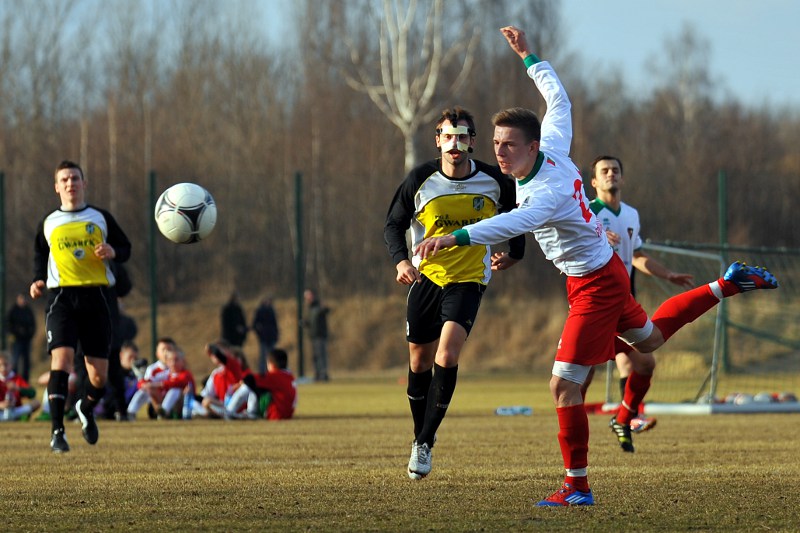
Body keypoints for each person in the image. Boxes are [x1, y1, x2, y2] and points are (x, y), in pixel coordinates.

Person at [414, 26, 778, 506]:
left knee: (563, 386)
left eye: (509, 145)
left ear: (531, 146)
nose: (498, 151)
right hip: (603, 273)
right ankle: (727, 285)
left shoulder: (544, 192)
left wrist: (452, 237)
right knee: (649, 341)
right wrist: (529, 56)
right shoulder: (552, 145)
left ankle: (577, 487)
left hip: (594, 285)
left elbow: (510, 223)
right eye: (497, 143)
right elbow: (558, 98)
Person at [384, 104, 526, 481]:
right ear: (438, 141)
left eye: (462, 137)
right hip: (426, 279)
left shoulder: (495, 180)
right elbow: (393, 224)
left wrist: (515, 253)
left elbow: (517, 217)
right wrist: (401, 262)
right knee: (419, 363)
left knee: (447, 354)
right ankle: (420, 435)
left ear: (472, 142)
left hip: (469, 280)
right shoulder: (420, 179)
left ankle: (424, 443)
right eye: (448, 136)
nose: (455, 144)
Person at [584, 155, 695, 442]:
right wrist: (596, 236)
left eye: (615, 170)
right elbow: (571, 247)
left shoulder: (631, 214)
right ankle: (574, 422)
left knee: (643, 363)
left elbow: (637, 256)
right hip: (594, 302)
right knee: (583, 370)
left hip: (624, 302)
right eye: (604, 171)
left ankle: (627, 418)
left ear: (622, 178)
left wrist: (668, 274)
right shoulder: (586, 211)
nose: (611, 174)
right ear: (593, 181)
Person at [30, 160, 131, 453]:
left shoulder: (100, 217)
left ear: (84, 183)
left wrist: (113, 251)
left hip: (96, 298)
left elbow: (125, 248)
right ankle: (57, 432)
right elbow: (40, 255)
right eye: (64, 179)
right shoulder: (49, 221)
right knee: (61, 361)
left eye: (75, 178)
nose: (70, 183)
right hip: (61, 299)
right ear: (56, 187)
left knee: (98, 376)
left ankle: (86, 408)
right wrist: (37, 280)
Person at [228, 348, 297, 420]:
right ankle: (249, 413)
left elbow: (250, 379)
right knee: (258, 387)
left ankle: (229, 411)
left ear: (271, 364)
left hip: (276, 414)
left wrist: (241, 382)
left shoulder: (275, 376)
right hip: (287, 413)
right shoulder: (290, 376)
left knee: (248, 386)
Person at [126, 337, 176, 419]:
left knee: (175, 390)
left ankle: (167, 412)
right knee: (144, 390)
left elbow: (180, 382)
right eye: (163, 350)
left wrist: (159, 384)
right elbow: (143, 384)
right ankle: (131, 412)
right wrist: (143, 382)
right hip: (155, 402)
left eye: (169, 349)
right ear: (157, 353)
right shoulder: (152, 369)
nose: (166, 353)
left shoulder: (176, 367)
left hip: (174, 403)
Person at [0, 351, 41, 420]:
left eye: (6, 365)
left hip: (16, 410)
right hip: (1, 411)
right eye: (0, 365)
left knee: (36, 403)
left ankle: (20, 416)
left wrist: (17, 388)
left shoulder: (17, 378)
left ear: (11, 365)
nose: (3, 368)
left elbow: (33, 393)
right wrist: (1, 405)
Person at [6, 293, 36, 382]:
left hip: (27, 340)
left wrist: (30, 334)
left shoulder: (28, 311)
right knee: (15, 361)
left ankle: (25, 382)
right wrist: (14, 333)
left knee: (26, 362)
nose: (23, 301)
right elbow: (8, 324)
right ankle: (14, 380)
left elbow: (33, 325)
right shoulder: (13, 311)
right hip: (16, 340)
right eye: (21, 299)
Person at [303, 289, 330, 382]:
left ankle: (323, 374)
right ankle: (317, 374)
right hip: (313, 335)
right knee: (315, 356)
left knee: (321, 355)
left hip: (320, 335)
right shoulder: (310, 308)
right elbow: (310, 321)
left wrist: (323, 307)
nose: (307, 298)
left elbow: (326, 310)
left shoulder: (318, 305)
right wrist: (304, 323)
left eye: (308, 296)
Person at [252, 296, 279, 375]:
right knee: (263, 356)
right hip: (263, 337)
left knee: (272, 356)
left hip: (271, 336)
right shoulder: (260, 311)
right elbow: (255, 324)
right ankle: (262, 372)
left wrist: (275, 334)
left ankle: (272, 371)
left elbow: (274, 324)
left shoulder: (271, 310)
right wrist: (260, 332)